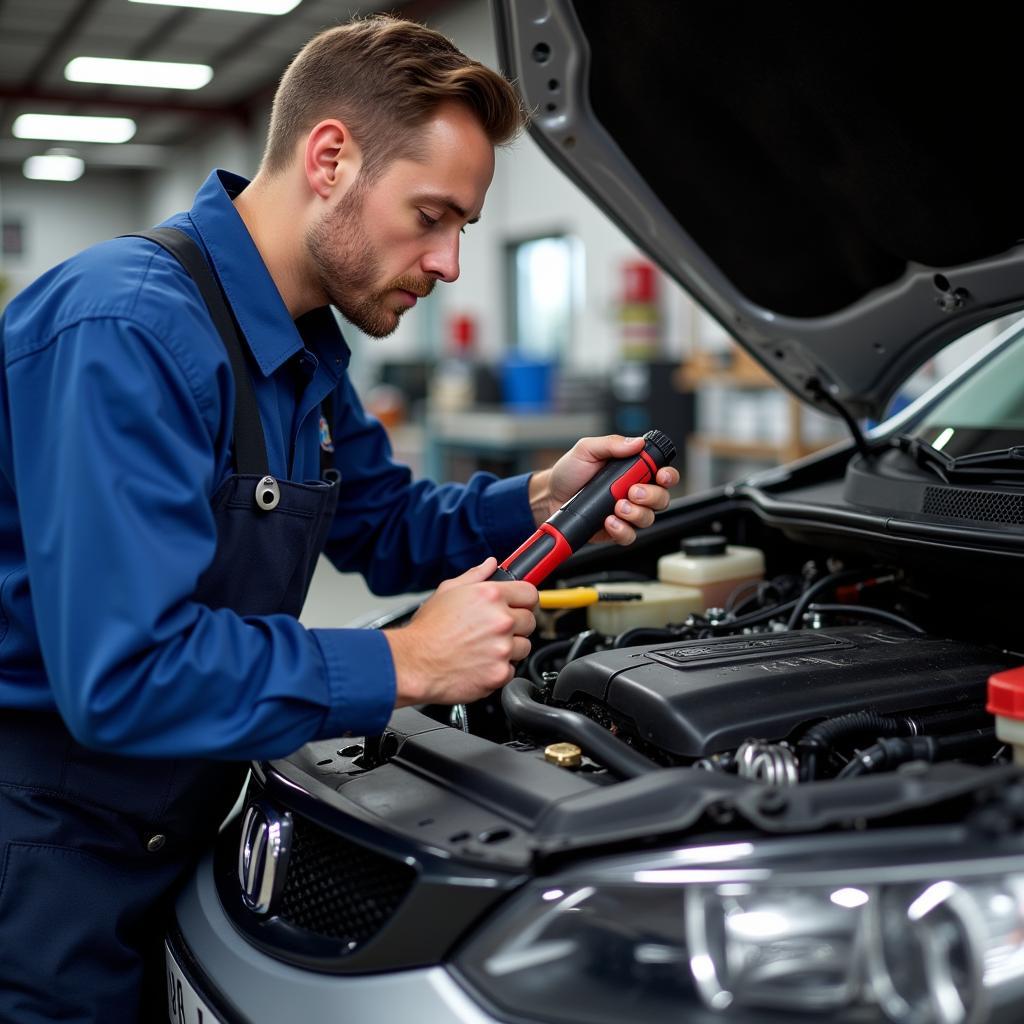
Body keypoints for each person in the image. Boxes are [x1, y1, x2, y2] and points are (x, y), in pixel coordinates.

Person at [0, 15, 678, 1022]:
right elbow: (126, 673)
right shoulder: (126, 331)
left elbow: (382, 523)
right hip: (52, 859)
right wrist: (404, 663)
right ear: (330, 158)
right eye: (432, 215)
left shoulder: (300, 343)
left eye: (464, 230)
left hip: (180, 823)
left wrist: (537, 499)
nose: (448, 262)